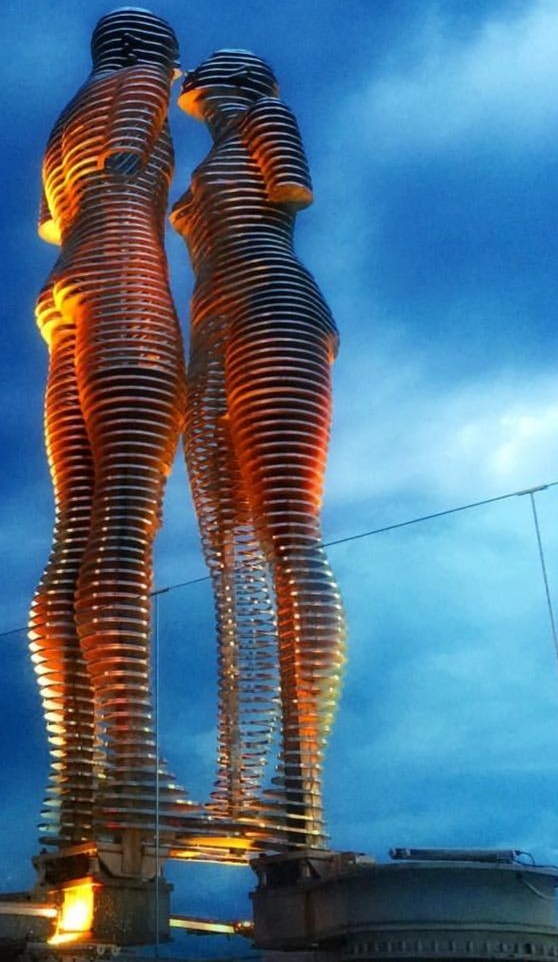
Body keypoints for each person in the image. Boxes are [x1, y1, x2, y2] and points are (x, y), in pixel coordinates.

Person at [171, 50, 346, 850]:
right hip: (214, 324)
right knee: (228, 554)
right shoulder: (216, 149)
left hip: (272, 302)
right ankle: (238, 788)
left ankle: (296, 781)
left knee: (284, 532)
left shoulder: (266, 121)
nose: (189, 91)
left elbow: (293, 190)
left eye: (203, 82)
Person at [30, 9, 192, 848]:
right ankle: (133, 770)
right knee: (126, 526)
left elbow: (53, 222)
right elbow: (131, 153)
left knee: (75, 531)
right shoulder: (134, 89)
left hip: (66, 293)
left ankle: (78, 776)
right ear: (153, 52)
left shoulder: (64, 117)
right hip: (125, 283)